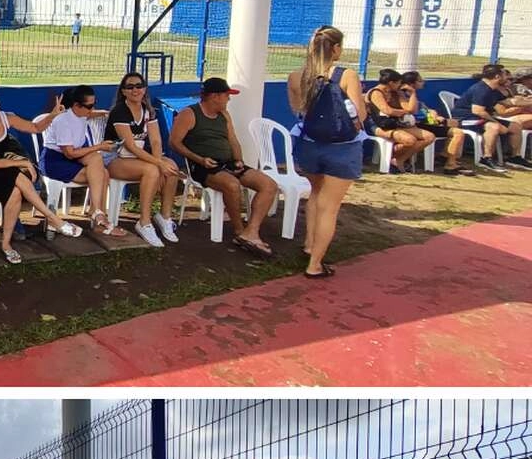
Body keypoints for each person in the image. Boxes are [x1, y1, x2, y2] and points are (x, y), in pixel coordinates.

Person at [285, 26, 370, 280]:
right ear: (335, 49)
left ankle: (310, 243)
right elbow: (360, 115)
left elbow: (298, 110)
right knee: (329, 207)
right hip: (342, 150)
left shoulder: (295, 76)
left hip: (309, 146)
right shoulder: (346, 75)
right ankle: (315, 264)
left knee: (316, 195)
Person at [0, 86, 79, 265]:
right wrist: (24, 163)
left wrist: (53, 114)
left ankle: (6, 245)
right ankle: (53, 218)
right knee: (18, 176)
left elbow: (35, 127)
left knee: (16, 191)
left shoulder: (6, 117)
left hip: (2, 168)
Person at [169, 77, 278, 259]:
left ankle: (251, 231)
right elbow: (174, 142)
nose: (229, 99)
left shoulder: (224, 115)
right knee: (232, 185)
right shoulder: (189, 114)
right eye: (227, 95)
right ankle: (239, 230)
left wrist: (239, 161)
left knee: (269, 185)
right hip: (203, 165)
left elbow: (233, 140)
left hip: (228, 162)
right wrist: (200, 159)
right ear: (215, 97)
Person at [106, 73, 182, 246]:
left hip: (136, 158)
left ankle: (164, 216)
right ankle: (144, 222)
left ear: (145, 88)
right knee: (153, 169)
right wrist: (158, 163)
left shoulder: (147, 110)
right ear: (123, 91)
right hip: (115, 159)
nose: (135, 90)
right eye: (130, 87)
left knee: (172, 167)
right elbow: (130, 146)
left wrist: (161, 162)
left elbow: (156, 141)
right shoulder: (120, 111)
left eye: (139, 86)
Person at [38, 85, 115, 235]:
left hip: (74, 157)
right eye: (89, 106)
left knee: (99, 165)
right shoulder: (63, 121)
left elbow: (90, 115)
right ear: (76, 105)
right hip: (56, 161)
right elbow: (70, 154)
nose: (92, 109)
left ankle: (97, 212)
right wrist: (99, 146)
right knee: (101, 172)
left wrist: (106, 113)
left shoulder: (81, 113)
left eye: (94, 104)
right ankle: (98, 216)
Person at [453, 64, 529, 172]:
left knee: (515, 126)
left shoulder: (493, 89)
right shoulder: (481, 89)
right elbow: (478, 111)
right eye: (504, 75)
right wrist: (497, 123)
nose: (507, 78)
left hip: (481, 117)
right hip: (465, 118)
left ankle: (514, 158)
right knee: (494, 127)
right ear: (497, 77)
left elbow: (509, 102)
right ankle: (486, 158)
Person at [366, 69, 432, 173]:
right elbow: (387, 110)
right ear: (391, 83)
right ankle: (393, 157)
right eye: (399, 83)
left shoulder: (396, 93)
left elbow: (411, 109)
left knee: (429, 137)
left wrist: (413, 94)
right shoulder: (376, 92)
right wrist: (404, 112)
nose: (400, 85)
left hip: (395, 123)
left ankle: (398, 159)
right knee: (410, 140)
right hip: (379, 125)